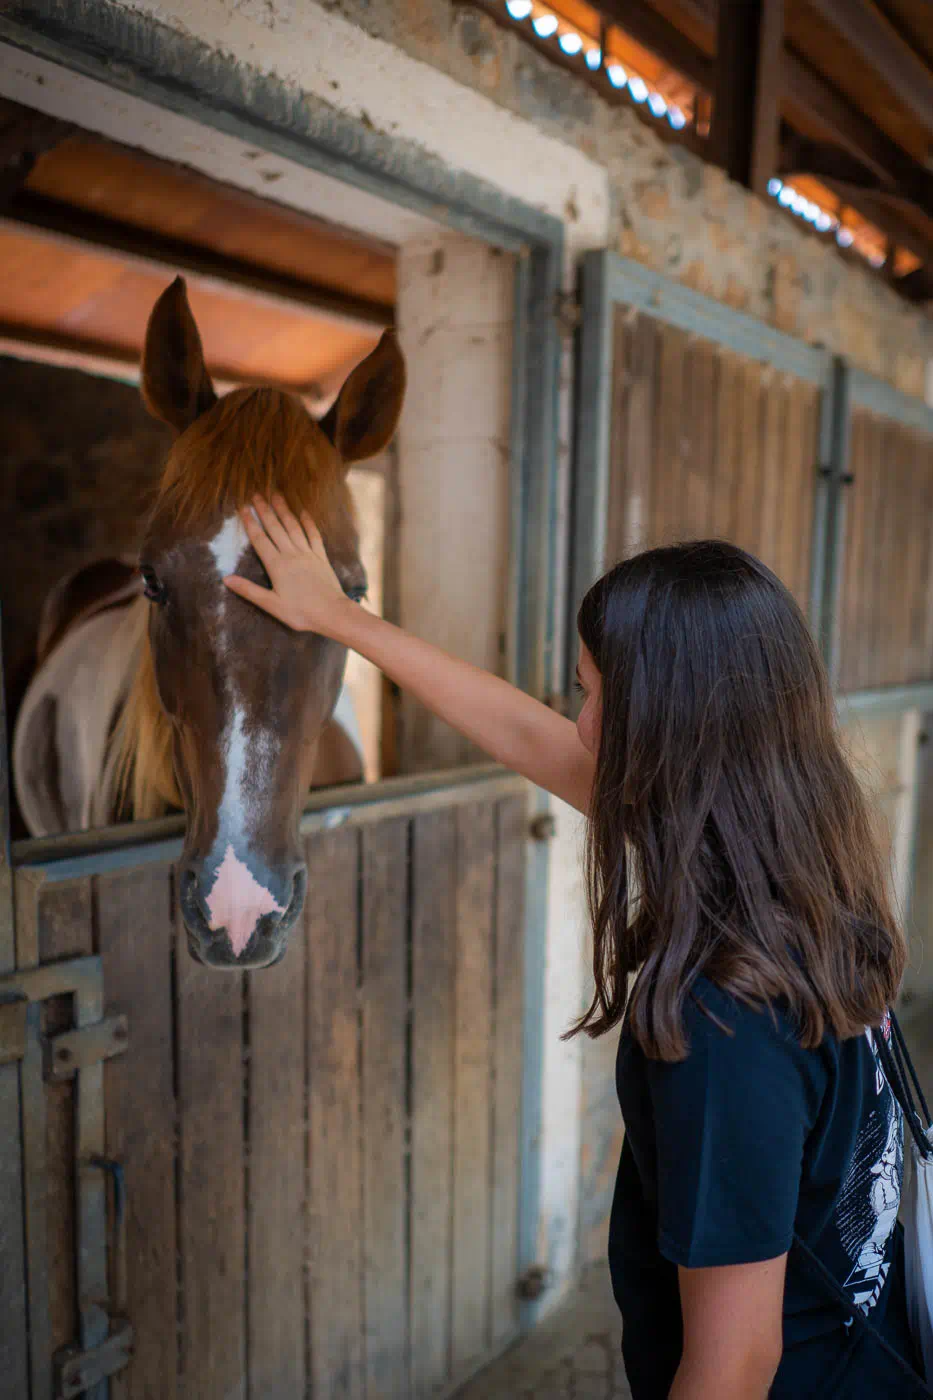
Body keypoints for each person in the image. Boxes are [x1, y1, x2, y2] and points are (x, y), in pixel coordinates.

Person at [225, 496, 928, 1399]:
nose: (582, 724)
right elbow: (528, 736)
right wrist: (338, 620)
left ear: (663, 732)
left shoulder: (724, 1019)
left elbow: (733, 1365)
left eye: (593, 695)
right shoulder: (810, 877)